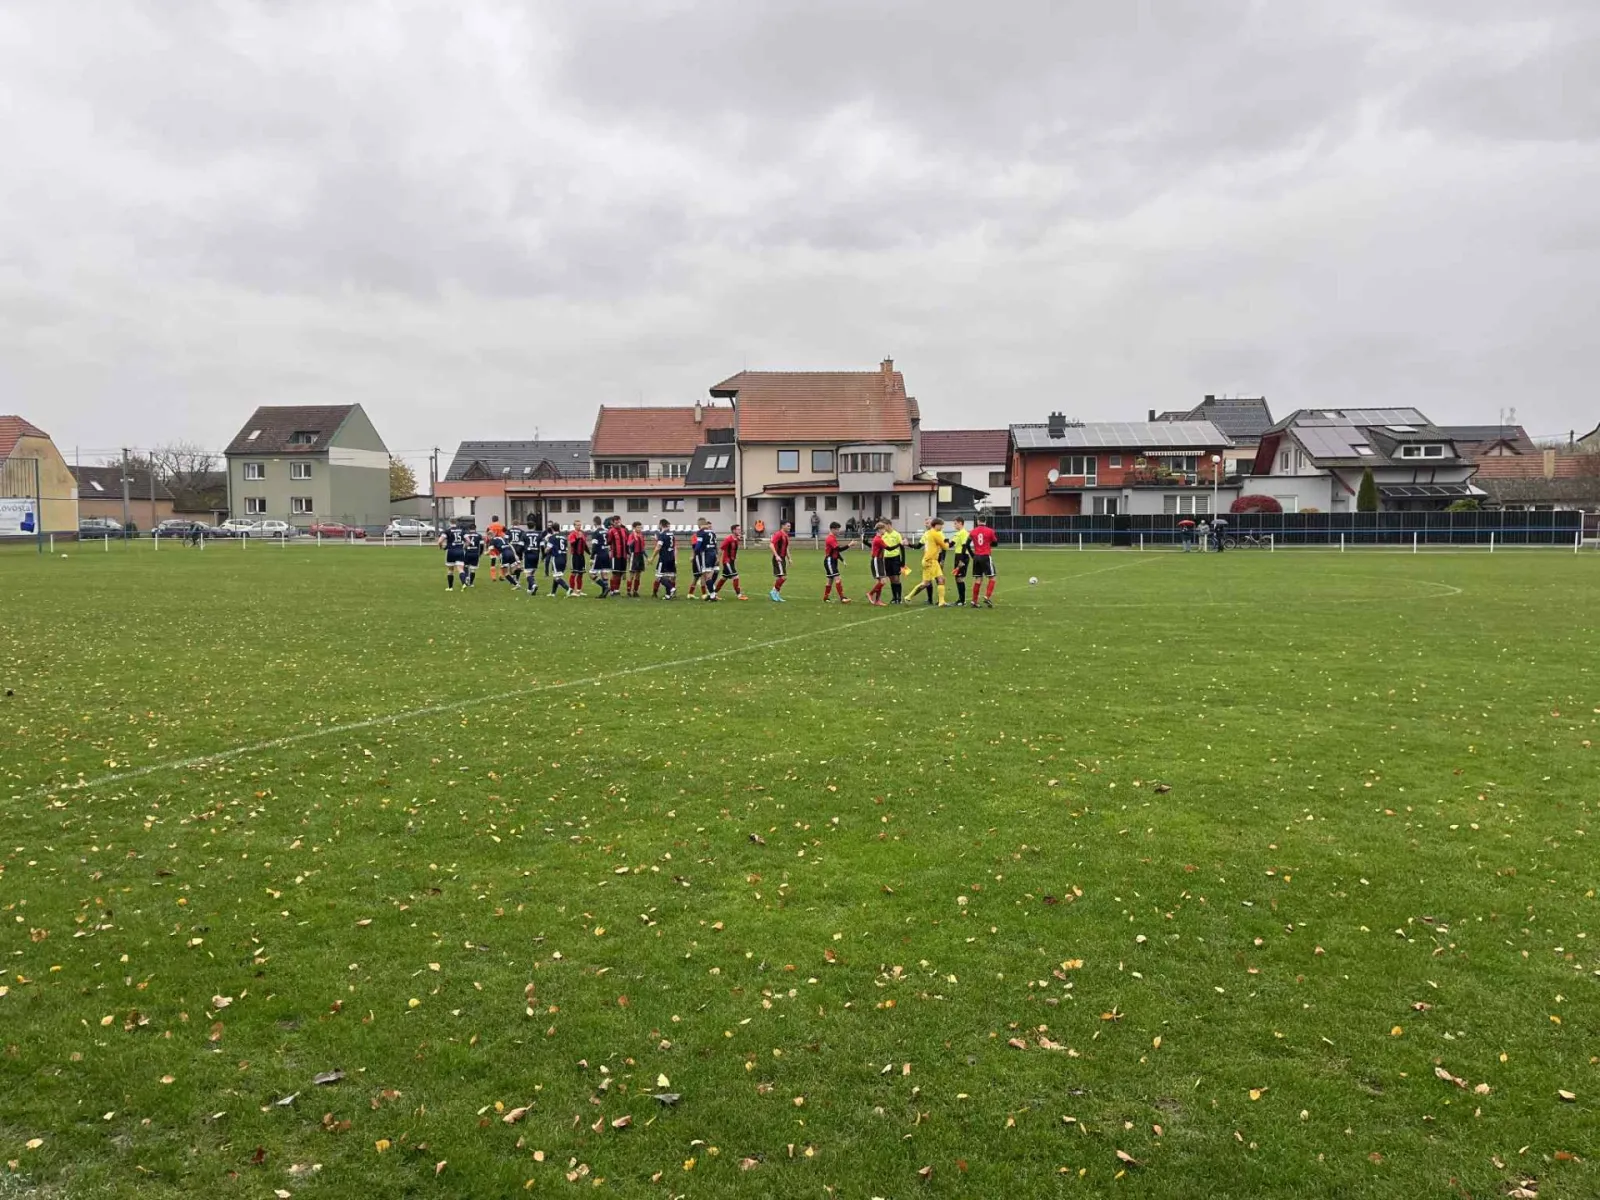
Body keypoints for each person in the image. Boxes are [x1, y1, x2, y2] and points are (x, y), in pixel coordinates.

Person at [908, 517, 950, 606]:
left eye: (927, 522)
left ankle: (940, 601)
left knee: (937, 580)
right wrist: (948, 541)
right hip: (931, 560)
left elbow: (942, 549)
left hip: (931, 559)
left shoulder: (933, 533)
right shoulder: (935, 534)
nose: (926, 524)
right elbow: (945, 547)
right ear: (936, 525)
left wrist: (942, 559)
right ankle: (937, 600)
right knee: (931, 582)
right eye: (941, 525)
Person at [711, 523, 748, 600]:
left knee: (724, 578)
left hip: (731, 561)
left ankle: (714, 594)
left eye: (740, 529)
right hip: (727, 561)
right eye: (738, 529)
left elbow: (735, 543)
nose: (739, 530)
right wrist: (718, 559)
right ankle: (739, 595)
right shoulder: (728, 539)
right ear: (733, 530)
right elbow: (721, 549)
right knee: (735, 576)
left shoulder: (736, 538)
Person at [968, 516, 998, 608]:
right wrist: (988, 543)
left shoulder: (972, 531)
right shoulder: (990, 531)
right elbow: (995, 543)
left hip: (976, 557)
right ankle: (987, 596)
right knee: (992, 577)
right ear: (985, 521)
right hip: (985, 556)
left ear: (978, 521)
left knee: (978, 579)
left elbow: (966, 544)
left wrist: (972, 555)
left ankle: (974, 601)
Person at [822, 521, 852, 603]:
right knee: (837, 578)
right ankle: (842, 598)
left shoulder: (833, 538)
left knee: (830, 580)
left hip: (832, 561)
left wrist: (842, 560)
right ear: (832, 529)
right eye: (837, 529)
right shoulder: (830, 538)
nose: (838, 531)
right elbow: (838, 549)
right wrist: (849, 545)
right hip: (830, 561)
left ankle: (826, 598)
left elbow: (836, 551)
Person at [879, 520, 907, 604]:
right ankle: (894, 597)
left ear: (889, 525)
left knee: (896, 578)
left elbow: (902, 547)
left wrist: (903, 561)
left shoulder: (896, 534)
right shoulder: (884, 535)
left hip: (895, 558)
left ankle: (899, 598)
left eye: (884, 526)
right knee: (891, 579)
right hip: (886, 559)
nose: (883, 528)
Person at [689, 519, 717, 598]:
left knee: (704, 575)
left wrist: (695, 553)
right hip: (710, 555)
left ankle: (710, 594)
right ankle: (709, 594)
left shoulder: (700, 533)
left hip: (704, 555)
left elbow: (697, 546)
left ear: (699, 525)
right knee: (703, 575)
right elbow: (715, 545)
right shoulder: (712, 532)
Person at [651, 519, 678, 599]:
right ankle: (668, 595)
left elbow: (658, 547)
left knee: (659, 576)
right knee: (669, 576)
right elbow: (673, 546)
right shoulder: (672, 534)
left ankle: (671, 588)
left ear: (660, 524)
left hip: (663, 559)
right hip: (671, 558)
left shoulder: (662, 535)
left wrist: (652, 557)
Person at [948, 517, 972, 605]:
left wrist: (961, 560)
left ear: (960, 523)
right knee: (957, 578)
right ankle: (960, 599)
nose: (954, 525)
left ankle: (962, 600)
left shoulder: (964, 533)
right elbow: (950, 545)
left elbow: (964, 546)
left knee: (960, 578)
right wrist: (943, 541)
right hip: (957, 556)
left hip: (963, 556)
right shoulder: (957, 534)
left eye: (955, 523)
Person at [605, 516, 630, 597]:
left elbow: (627, 542)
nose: (618, 524)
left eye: (619, 522)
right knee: (615, 573)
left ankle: (617, 590)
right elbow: (608, 542)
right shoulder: (611, 531)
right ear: (613, 523)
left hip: (623, 555)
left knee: (621, 573)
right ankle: (612, 590)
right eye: (616, 522)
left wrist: (628, 553)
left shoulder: (624, 530)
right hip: (615, 555)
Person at [438, 522, 466, 592]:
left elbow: (440, 541)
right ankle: (463, 583)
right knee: (460, 569)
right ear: (456, 523)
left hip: (451, 551)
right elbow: (468, 540)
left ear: (450, 523)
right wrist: (464, 547)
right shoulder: (462, 531)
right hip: (460, 551)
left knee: (450, 570)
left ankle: (450, 588)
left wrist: (441, 547)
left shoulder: (447, 531)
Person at [543, 523, 570, 596]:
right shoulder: (564, 538)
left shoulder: (552, 537)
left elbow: (547, 549)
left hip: (556, 558)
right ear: (559, 528)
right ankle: (553, 593)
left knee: (556, 576)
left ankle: (568, 589)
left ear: (552, 529)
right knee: (557, 576)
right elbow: (566, 550)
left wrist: (545, 549)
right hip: (564, 557)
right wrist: (567, 561)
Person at [866, 520, 888, 605]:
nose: (885, 530)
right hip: (877, 560)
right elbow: (889, 548)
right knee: (883, 581)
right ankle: (870, 594)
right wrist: (900, 544)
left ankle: (877, 600)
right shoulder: (878, 539)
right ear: (879, 529)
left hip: (880, 560)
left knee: (880, 582)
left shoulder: (878, 538)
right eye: (884, 529)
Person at [769, 521, 792, 602]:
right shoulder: (778, 534)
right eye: (788, 526)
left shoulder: (785, 535)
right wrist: (776, 556)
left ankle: (777, 594)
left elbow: (786, 548)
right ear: (783, 526)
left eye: (790, 526)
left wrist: (789, 558)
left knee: (780, 577)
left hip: (782, 558)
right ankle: (773, 591)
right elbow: (771, 544)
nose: (789, 527)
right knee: (783, 577)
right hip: (778, 558)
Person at [566, 523, 589, 595]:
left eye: (580, 525)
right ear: (574, 526)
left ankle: (579, 591)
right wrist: (578, 538)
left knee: (581, 573)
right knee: (574, 573)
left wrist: (589, 553)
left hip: (581, 556)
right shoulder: (572, 534)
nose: (579, 526)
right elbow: (573, 544)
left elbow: (585, 545)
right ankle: (571, 590)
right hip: (575, 555)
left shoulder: (582, 534)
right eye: (577, 525)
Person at [485, 515, 508, 581]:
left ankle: (493, 577)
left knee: (493, 561)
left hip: (492, 544)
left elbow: (487, 536)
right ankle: (501, 575)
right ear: (498, 519)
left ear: (492, 520)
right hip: (500, 544)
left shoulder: (489, 526)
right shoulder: (502, 526)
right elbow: (506, 533)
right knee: (501, 561)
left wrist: (487, 544)